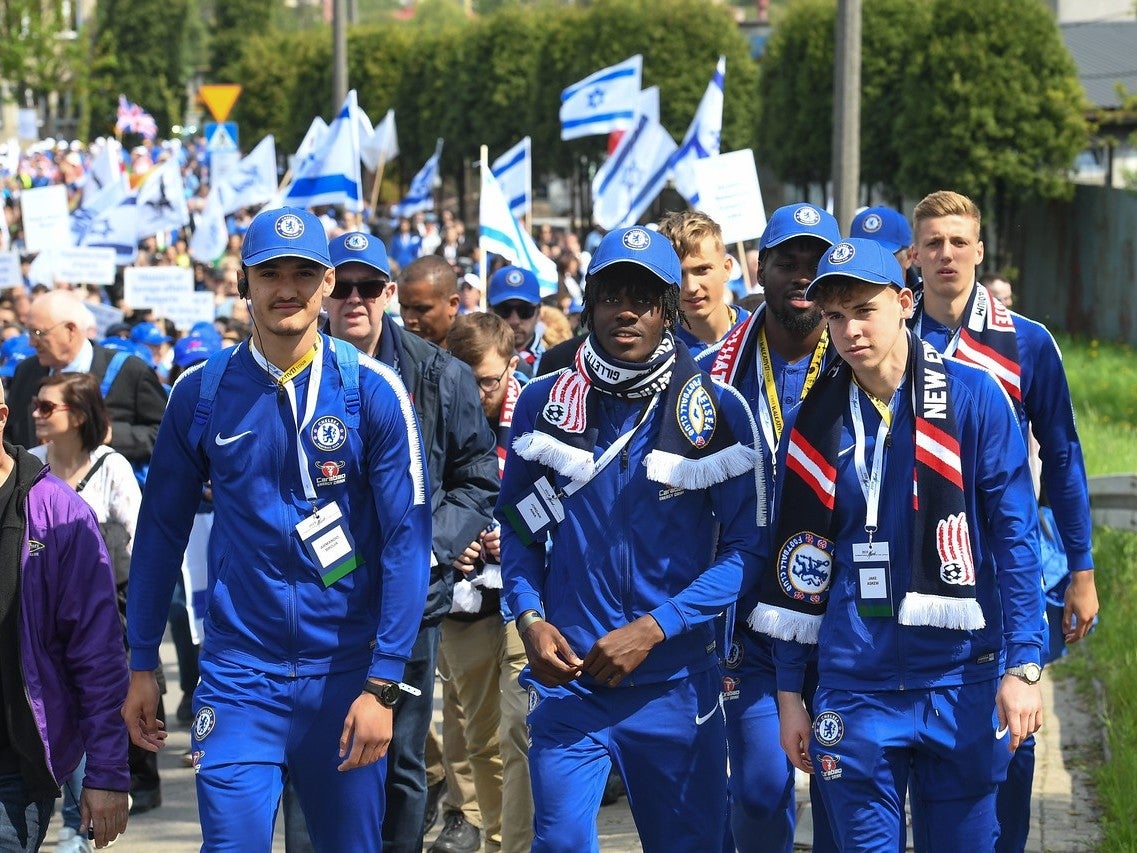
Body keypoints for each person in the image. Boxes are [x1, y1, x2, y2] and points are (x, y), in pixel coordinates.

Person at [121, 207, 432, 852]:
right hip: (239, 677)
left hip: (344, 676)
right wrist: (141, 659)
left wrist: (383, 683)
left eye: (303, 273)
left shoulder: (373, 391)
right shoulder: (201, 392)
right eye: (270, 273)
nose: (286, 288)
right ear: (243, 282)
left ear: (325, 284)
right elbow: (158, 533)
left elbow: (408, 541)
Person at [754, 237, 1045, 850]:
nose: (850, 330)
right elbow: (797, 567)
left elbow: (1016, 540)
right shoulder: (812, 424)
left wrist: (1023, 665)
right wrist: (788, 693)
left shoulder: (974, 400)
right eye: (834, 316)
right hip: (853, 685)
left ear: (905, 303)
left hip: (960, 678)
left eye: (864, 309)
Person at [497, 226, 762, 852]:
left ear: (668, 307)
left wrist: (654, 628)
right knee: (559, 844)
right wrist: (530, 619)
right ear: (588, 303)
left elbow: (747, 552)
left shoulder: (718, 409)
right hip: (571, 685)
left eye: (642, 297)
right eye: (611, 293)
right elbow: (518, 533)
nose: (625, 310)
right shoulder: (542, 401)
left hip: (674, 685)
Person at [907, 190, 1097, 851]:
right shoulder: (894, 339)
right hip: (920, 577)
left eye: (958, 241)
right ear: (913, 255)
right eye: (932, 242)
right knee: (934, 739)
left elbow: (1065, 461)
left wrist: (1081, 568)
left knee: (1015, 739)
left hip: (1011, 566)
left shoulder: (1026, 341)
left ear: (980, 251)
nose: (946, 254)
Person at [311, 231, 498, 853]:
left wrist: (423, 550)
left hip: (410, 607)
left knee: (398, 762)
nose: (357, 299)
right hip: (319, 601)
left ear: (388, 294)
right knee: (312, 757)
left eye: (371, 287)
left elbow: (476, 481)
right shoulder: (293, 370)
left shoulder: (441, 374)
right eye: (345, 286)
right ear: (325, 293)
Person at [698, 201, 840, 853]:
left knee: (846, 797)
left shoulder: (862, 367)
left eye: (816, 262)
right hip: (748, 621)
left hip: (847, 620)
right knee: (757, 789)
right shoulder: (708, 379)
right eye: (788, 261)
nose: (802, 275)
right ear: (759, 268)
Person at [0, 381, 130, 852]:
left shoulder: (57, 512)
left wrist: (108, 773)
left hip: (11, 775)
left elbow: (96, 653)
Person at [441, 311, 534, 853]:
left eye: (490, 380)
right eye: (465, 379)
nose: (478, 394)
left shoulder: (540, 413)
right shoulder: (433, 414)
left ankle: (516, 846)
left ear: (512, 366)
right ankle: (497, 838)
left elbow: (564, 496)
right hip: (462, 601)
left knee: (518, 730)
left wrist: (513, 530)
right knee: (481, 739)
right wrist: (453, 536)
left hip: (523, 596)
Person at [2, 291, 167, 467]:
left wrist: (110, 435)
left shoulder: (130, 371)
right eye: (30, 333)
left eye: (38, 333)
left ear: (70, 330)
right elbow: (12, 433)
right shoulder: (26, 371)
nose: (32, 343)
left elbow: (165, 433)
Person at [657, 210, 749, 358]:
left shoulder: (761, 332)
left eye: (702, 270)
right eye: (679, 274)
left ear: (727, 268)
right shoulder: (657, 354)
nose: (691, 287)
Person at [488, 266, 545, 376]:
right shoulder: (472, 361)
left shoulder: (556, 363)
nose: (514, 321)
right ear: (490, 312)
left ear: (538, 313)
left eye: (525, 311)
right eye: (504, 310)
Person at [397, 255, 462, 348]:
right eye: (404, 307)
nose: (409, 319)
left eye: (421, 309)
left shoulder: (479, 354)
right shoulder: (391, 353)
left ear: (452, 304)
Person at [849, 205, 919, 289]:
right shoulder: (838, 298)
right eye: (864, 258)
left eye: (884, 258)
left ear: (908, 257)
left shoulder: (928, 298)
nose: (872, 267)